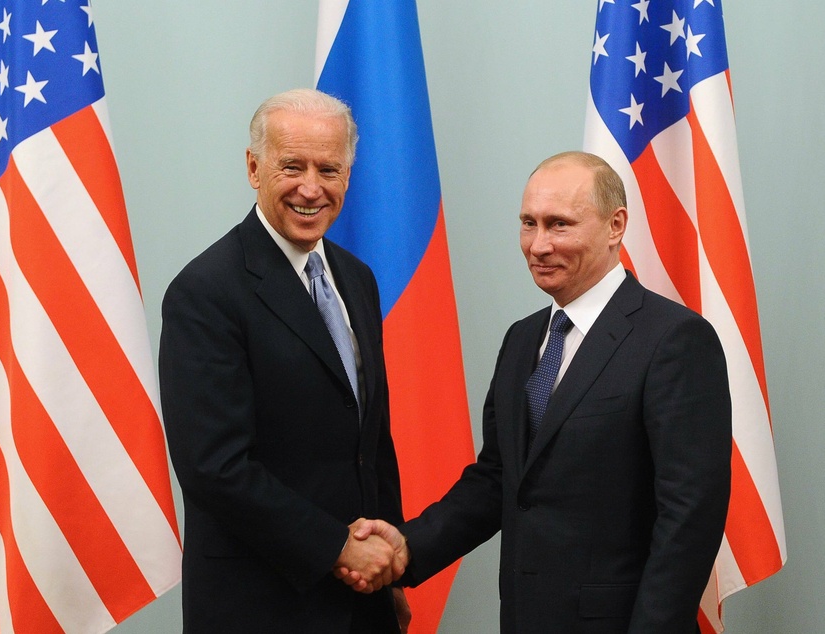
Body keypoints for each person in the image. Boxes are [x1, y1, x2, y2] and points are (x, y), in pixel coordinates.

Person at [343, 151, 732, 633]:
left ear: (616, 226)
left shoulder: (673, 340)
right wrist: (407, 547)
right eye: (529, 223)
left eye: (559, 225)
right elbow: (499, 480)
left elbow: (690, 516)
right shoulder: (523, 339)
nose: (538, 245)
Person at [159, 88, 410, 633]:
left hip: (361, 603)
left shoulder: (357, 279)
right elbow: (214, 467)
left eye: (330, 168)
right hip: (261, 605)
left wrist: (387, 569)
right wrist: (339, 547)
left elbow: (369, 442)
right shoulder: (205, 291)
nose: (311, 188)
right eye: (292, 166)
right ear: (254, 167)